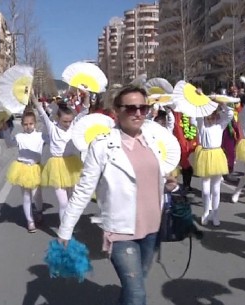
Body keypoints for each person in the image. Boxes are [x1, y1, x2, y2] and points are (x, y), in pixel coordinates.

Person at [57, 86, 178, 305]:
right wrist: (65, 230)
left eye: (143, 107)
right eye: (131, 108)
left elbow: (150, 179)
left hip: (152, 228)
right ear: (117, 111)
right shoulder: (102, 145)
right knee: (137, 295)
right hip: (120, 231)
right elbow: (84, 190)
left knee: (135, 285)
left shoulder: (152, 140)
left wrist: (167, 185)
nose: (138, 113)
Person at [34, 89, 90, 222]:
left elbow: (84, 111)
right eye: (65, 121)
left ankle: (69, 226)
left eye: (70, 121)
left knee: (71, 201)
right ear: (58, 119)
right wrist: (32, 97)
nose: (68, 124)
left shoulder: (73, 126)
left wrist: (86, 96)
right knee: (63, 202)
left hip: (71, 164)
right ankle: (63, 229)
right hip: (57, 166)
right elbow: (41, 112)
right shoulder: (52, 127)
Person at [1, 110, 47, 233]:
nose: (28, 126)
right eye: (25, 124)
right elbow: (9, 144)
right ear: (22, 124)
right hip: (23, 168)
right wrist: (5, 129)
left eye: (31, 123)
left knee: (37, 194)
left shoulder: (41, 135)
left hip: (36, 168)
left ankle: (39, 211)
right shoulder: (20, 137)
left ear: (35, 123)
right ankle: (30, 221)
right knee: (26, 197)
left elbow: (54, 139)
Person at [196, 103, 234, 226]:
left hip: (217, 156)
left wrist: (223, 104)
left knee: (216, 189)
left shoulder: (220, 126)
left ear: (217, 116)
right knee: (206, 189)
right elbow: (195, 117)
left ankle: (215, 214)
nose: (211, 119)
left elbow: (230, 114)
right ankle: (206, 212)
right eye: (208, 117)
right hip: (205, 156)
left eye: (213, 116)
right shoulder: (202, 126)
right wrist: (200, 103)